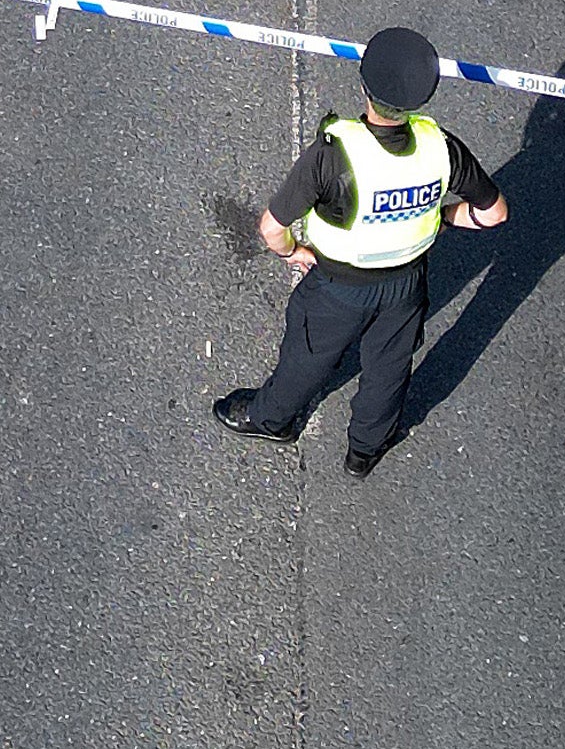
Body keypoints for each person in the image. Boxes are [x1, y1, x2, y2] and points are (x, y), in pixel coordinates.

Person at [215, 26, 507, 475]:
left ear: (364, 86)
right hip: (406, 286)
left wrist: (292, 251)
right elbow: (494, 213)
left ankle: (272, 419)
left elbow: (271, 228)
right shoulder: (444, 149)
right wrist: (443, 216)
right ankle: (365, 449)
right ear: (420, 100)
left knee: (307, 356)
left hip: (337, 288)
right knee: (389, 369)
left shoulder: (332, 155)